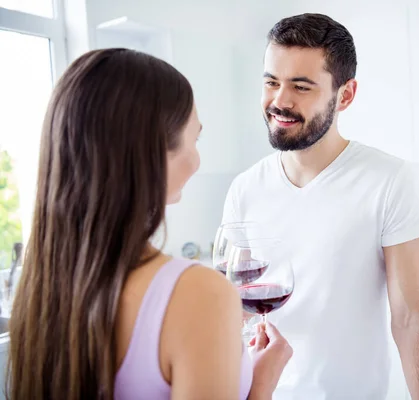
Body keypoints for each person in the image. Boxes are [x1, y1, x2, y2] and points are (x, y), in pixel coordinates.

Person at [6, 48, 292, 400]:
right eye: (195, 138)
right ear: (152, 152)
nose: (197, 158)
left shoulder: (40, 286)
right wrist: (261, 384)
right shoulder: (197, 293)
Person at [221, 13, 419, 399]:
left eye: (301, 87)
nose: (279, 101)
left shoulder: (389, 181)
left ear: (345, 95)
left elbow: (411, 318)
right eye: (271, 82)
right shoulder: (245, 188)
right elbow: (235, 306)